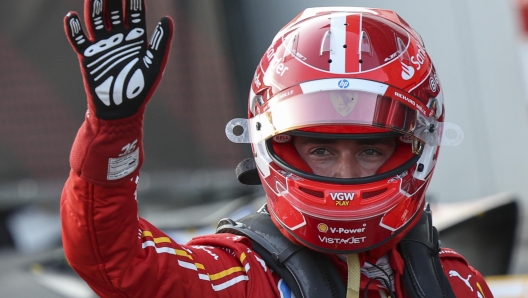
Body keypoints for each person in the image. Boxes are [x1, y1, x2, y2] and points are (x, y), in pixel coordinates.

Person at [60, 1, 494, 297]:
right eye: (321, 150)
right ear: (270, 145)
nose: (344, 173)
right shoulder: (238, 277)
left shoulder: (454, 283)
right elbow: (113, 260)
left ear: (418, 147)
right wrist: (111, 131)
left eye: (370, 149)